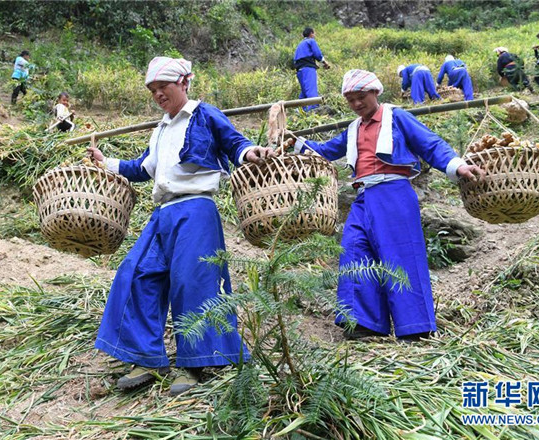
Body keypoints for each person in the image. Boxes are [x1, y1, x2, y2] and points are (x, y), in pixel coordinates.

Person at [87, 56, 274, 395]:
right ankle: (146, 356)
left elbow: (235, 143)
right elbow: (143, 168)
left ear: (184, 83)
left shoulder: (205, 114)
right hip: (163, 212)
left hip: (196, 209)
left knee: (193, 282)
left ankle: (195, 362)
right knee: (137, 272)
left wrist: (250, 153)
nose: (158, 94)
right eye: (153, 90)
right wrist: (106, 162)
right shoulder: (161, 129)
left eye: (164, 87)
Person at [287, 70, 484, 342]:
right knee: (354, 251)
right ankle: (363, 322)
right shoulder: (354, 129)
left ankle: (415, 327)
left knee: (400, 255)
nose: (357, 104)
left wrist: (458, 166)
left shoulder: (396, 117)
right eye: (351, 100)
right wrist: (296, 143)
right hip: (363, 196)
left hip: (393, 193)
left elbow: (429, 144)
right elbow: (326, 151)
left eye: (361, 97)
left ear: (375, 92)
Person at [293, 27, 330, 111]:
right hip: (308, 69)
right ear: (311, 34)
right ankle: (313, 109)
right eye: (314, 33)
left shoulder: (300, 45)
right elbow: (317, 54)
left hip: (299, 70)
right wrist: (324, 62)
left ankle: (301, 110)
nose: (315, 35)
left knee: (304, 91)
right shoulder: (311, 41)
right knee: (311, 89)